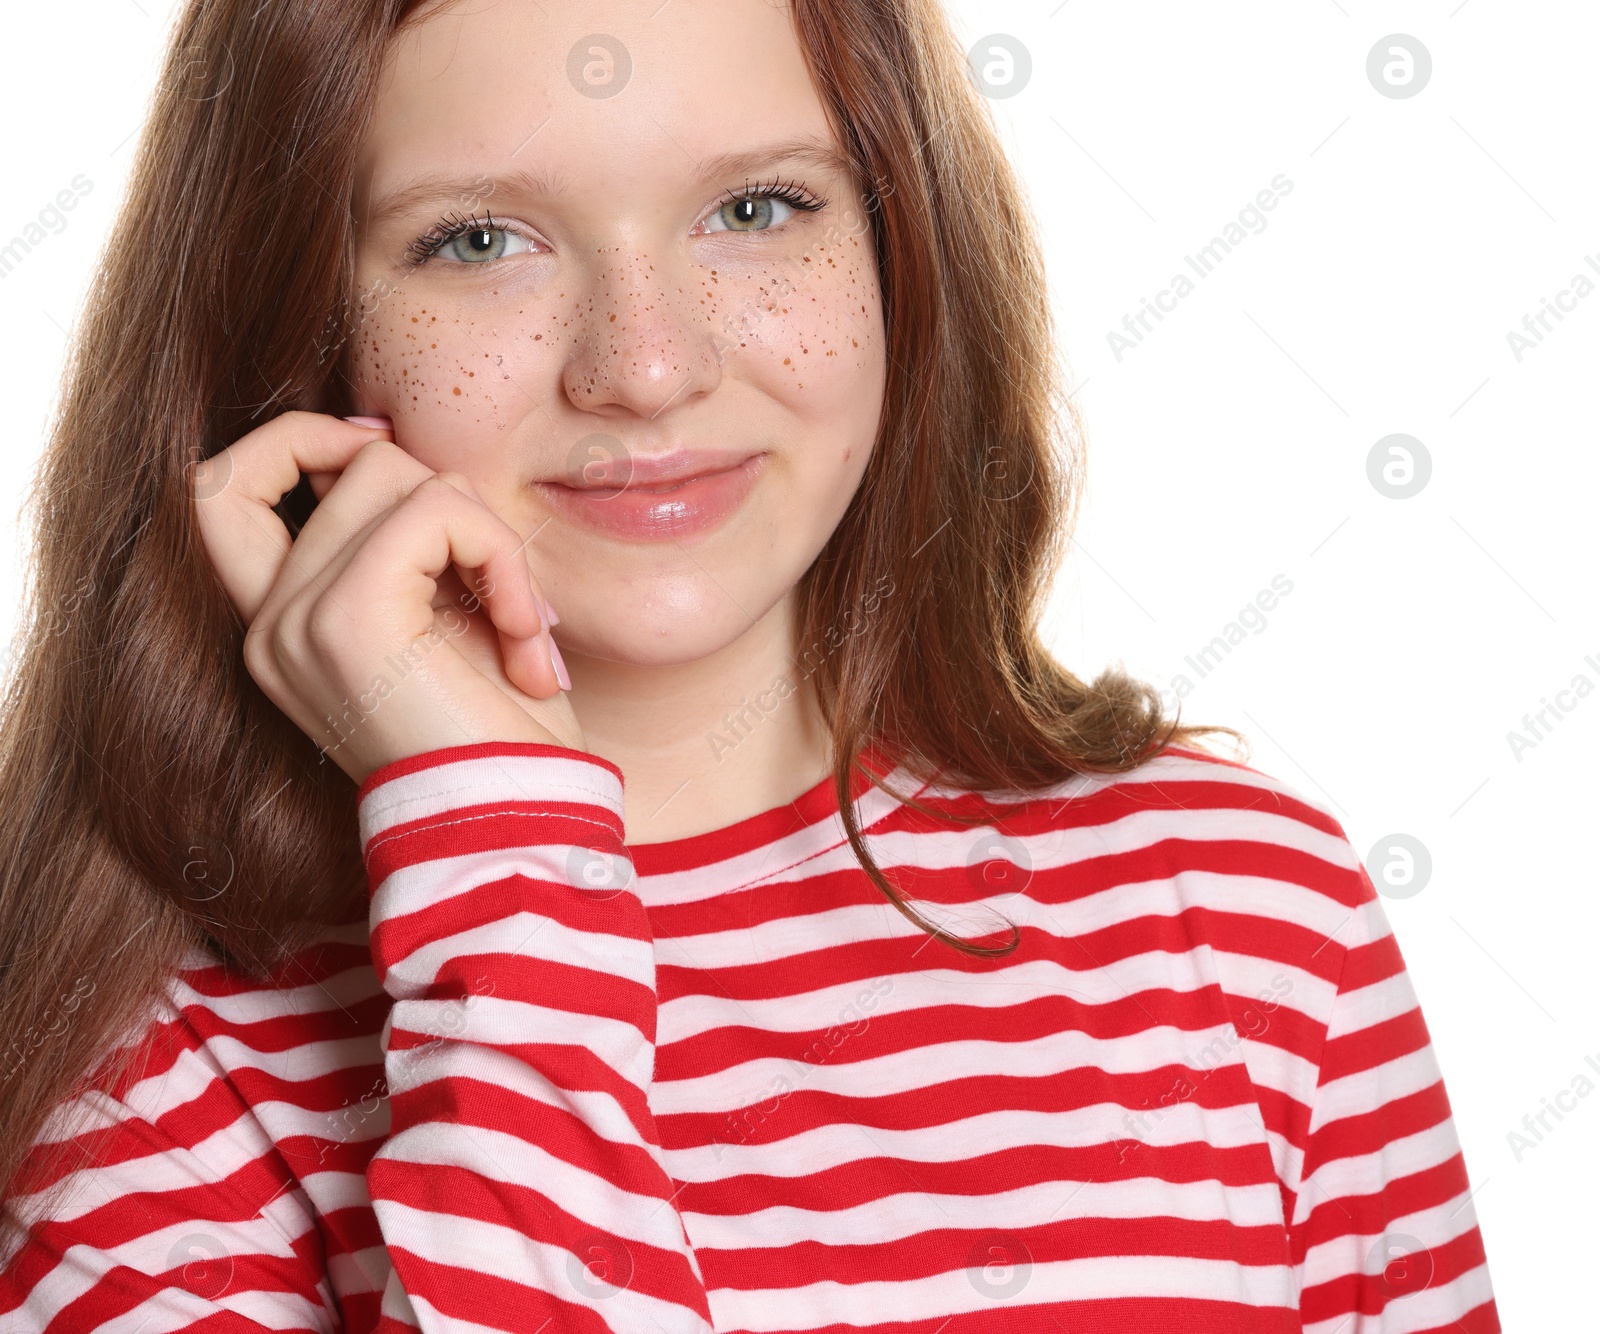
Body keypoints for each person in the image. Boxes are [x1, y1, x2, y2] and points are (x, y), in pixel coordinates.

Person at [0, 0, 1500, 1330]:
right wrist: (506, 891)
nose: (648, 365)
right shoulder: (151, 1074)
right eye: (478, 240)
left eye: (760, 209)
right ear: (301, 338)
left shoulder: (1247, 919)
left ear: (897, 243)